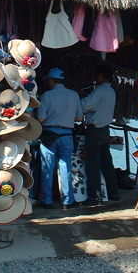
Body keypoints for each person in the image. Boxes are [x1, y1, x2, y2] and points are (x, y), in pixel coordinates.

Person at [36, 67, 83, 210]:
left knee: (47, 169)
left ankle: (46, 200)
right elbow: (80, 118)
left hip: (50, 135)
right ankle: (68, 201)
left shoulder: (47, 95)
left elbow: (41, 118)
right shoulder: (74, 95)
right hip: (67, 134)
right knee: (65, 167)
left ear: (51, 81)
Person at [80, 64, 120, 206]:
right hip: (105, 130)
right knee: (107, 163)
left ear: (101, 75)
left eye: (97, 76)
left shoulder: (100, 91)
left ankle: (94, 195)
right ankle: (113, 192)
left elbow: (85, 105)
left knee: (93, 164)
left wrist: (81, 98)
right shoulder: (111, 92)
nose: (96, 79)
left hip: (95, 130)